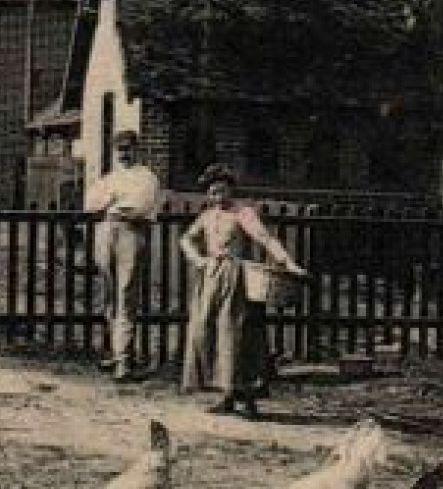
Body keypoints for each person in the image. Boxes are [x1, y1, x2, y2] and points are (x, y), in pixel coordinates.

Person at [178, 163, 305, 417]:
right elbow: (186, 239)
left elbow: (265, 239)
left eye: (222, 191)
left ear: (231, 190)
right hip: (211, 278)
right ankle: (225, 395)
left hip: (236, 279)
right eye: (213, 192)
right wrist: (199, 259)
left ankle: (247, 398)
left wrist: (290, 264)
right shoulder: (207, 215)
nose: (217, 197)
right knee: (208, 331)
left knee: (237, 334)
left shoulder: (243, 213)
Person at [83, 130, 162, 383]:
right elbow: (91, 202)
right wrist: (111, 201)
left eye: (128, 148)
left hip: (131, 232)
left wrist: (112, 202)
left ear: (137, 149)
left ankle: (124, 361)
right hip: (107, 231)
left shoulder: (146, 178)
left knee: (126, 293)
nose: (124, 153)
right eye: (120, 149)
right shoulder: (110, 177)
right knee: (108, 295)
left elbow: (140, 206)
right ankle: (118, 353)